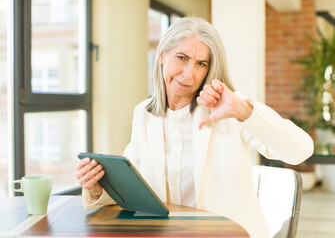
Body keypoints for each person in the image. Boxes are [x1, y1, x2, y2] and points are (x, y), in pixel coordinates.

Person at [76, 17, 313, 238]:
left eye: (201, 63)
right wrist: (97, 188)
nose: (189, 74)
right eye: (181, 58)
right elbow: (133, 185)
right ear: (161, 55)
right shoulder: (144, 114)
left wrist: (242, 110)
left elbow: (301, 150)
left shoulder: (229, 107)